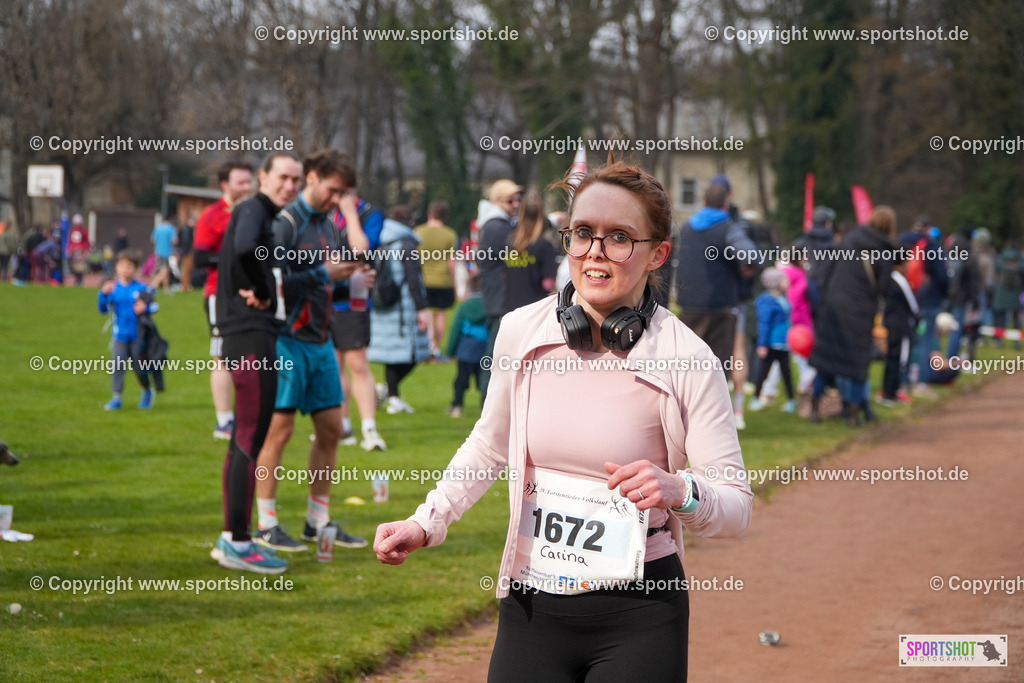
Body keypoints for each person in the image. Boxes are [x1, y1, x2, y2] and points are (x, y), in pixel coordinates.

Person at [374, 161, 752, 681]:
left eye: (619, 237)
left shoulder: (689, 358)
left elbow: (735, 507)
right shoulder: (520, 332)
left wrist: (679, 489)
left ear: (657, 254)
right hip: (531, 609)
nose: (595, 252)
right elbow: (489, 446)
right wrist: (425, 522)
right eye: (582, 234)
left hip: (641, 615)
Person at [252, 149, 367, 554]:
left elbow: (326, 282)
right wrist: (325, 273)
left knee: (332, 429)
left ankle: (317, 521)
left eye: (344, 194)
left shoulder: (328, 226)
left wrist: (349, 280)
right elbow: (276, 285)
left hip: (321, 342)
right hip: (286, 340)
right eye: (334, 191)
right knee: (278, 432)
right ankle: (266, 524)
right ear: (313, 178)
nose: (338, 199)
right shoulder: (284, 224)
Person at [209, 151, 302, 574]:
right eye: (282, 177)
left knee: (248, 436)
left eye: (296, 180)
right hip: (248, 334)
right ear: (263, 176)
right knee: (249, 436)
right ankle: (237, 542)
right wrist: (263, 287)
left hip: (251, 333)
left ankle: (236, 538)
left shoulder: (258, 212)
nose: (289, 186)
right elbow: (247, 249)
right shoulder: (253, 209)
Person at [809, 206, 897, 427]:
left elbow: (829, 269)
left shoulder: (850, 239)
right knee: (857, 365)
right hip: (860, 312)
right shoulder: (884, 250)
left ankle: (814, 409)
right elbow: (885, 287)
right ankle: (855, 415)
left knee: (825, 362)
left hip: (833, 308)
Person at [194, 161, 255, 440]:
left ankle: (248, 416)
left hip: (253, 294)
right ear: (224, 185)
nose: (247, 187)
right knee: (223, 356)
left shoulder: (256, 212)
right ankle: (224, 421)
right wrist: (235, 261)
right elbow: (200, 257)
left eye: (249, 181)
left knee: (252, 354)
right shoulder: (213, 215)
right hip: (220, 294)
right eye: (240, 182)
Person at [331, 194, 387, 451]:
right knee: (334, 365)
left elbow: (361, 250)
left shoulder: (370, 215)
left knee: (357, 363)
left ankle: (369, 429)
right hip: (324, 298)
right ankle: (342, 427)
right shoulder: (321, 213)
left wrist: (350, 214)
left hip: (354, 300)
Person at [367, 209, 431, 414]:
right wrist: (422, 308)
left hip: (383, 306)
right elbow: (414, 280)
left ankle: (390, 393)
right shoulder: (406, 243)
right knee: (414, 354)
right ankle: (391, 395)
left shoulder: (381, 240)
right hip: (404, 308)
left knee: (393, 355)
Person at [475, 179, 522, 397]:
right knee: (496, 357)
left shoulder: (496, 224)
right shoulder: (496, 226)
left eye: (517, 199)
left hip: (500, 299)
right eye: (510, 200)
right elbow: (521, 249)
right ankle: (488, 406)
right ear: (496, 201)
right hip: (501, 301)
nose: (516, 204)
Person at [97, 249, 158, 410]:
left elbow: (154, 305)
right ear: (116, 267)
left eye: (130, 266)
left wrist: (145, 306)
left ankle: (146, 391)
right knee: (117, 365)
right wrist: (102, 294)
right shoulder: (112, 288)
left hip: (139, 335)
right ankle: (116, 397)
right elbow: (102, 309)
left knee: (139, 367)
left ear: (136, 269)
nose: (126, 269)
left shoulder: (141, 287)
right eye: (122, 265)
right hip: (120, 335)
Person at [415, 200, 459, 360]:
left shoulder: (418, 232)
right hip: (443, 280)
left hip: (423, 280)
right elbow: (451, 262)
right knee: (440, 315)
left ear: (430, 213)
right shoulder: (450, 234)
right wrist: (454, 283)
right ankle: (437, 347)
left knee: (426, 314)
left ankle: (426, 347)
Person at [748, 267, 795, 413]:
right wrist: (763, 344)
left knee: (787, 373)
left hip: (784, 343)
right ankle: (756, 398)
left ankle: (791, 401)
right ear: (776, 283)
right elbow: (764, 324)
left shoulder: (782, 298)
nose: (787, 282)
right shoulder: (766, 301)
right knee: (763, 372)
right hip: (772, 343)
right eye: (783, 279)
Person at [876, 254, 919, 406]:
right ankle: (891, 392)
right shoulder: (900, 280)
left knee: (891, 358)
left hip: (890, 323)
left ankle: (887, 392)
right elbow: (912, 304)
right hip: (901, 325)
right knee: (899, 359)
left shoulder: (886, 278)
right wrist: (917, 319)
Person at [503, 191, 557, 312]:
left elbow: (505, 274)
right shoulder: (545, 245)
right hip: (536, 310)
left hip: (511, 310)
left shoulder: (510, 242)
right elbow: (548, 284)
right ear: (541, 215)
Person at [445, 271, 488, 417]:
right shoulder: (489, 307)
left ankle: (457, 405)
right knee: (484, 381)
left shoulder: (464, 307)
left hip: (465, 351)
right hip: (484, 349)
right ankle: (486, 408)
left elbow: (455, 329)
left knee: (461, 380)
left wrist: (450, 351)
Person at [991, 246, 1023, 349]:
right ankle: (1016, 340)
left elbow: (995, 265)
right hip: (1015, 294)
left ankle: (997, 339)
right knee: (1016, 318)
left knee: (999, 316)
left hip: (1002, 294)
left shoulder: (1001, 265)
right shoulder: (1020, 266)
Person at [151, 216, 178, 292]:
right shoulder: (171, 228)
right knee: (165, 270)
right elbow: (174, 240)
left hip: (158, 251)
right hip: (166, 251)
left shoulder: (158, 228)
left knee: (163, 269)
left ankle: (166, 288)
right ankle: (153, 284)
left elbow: (152, 240)